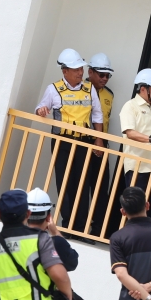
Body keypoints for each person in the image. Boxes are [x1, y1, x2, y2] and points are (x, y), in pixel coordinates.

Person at [35, 49, 105, 233]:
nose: (80, 73)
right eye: (75, 70)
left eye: (81, 69)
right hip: (62, 142)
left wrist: (99, 140)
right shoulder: (54, 89)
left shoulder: (89, 89)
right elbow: (41, 106)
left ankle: (80, 228)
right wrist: (41, 110)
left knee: (82, 183)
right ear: (64, 71)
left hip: (84, 142)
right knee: (65, 183)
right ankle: (67, 225)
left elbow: (97, 115)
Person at [118, 68, 151, 220]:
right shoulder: (130, 106)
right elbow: (130, 132)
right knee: (135, 209)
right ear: (143, 89)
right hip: (137, 166)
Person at [87, 53, 116, 237]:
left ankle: (97, 229)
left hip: (101, 143)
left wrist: (101, 142)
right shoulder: (80, 89)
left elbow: (106, 120)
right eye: (101, 74)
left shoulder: (109, 95)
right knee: (79, 186)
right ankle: (76, 225)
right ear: (90, 72)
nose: (104, 79)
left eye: (108, 76)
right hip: (82, 140)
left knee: (100, 188)